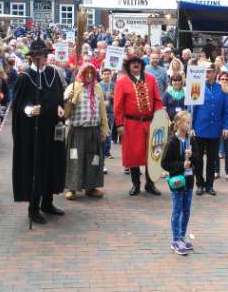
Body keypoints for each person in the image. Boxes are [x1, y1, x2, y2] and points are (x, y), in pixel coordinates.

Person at [11, 39, 67, 224]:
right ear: (31, 58)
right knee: (36, 167)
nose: (41, 60)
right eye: (37, 57)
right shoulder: (25, 77)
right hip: (34, 133)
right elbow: (18, 105)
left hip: (52, 129)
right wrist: (28, 110)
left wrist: (60, 107)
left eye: (43, 56)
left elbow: (59, 96)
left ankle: (48, 202)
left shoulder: (52, 73)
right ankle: (33, 208)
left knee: (52, 165)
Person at [114, 54, 164, 196]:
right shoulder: (122, 82)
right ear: (128, 66)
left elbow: (157, 100)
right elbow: (118, 106)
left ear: (142, 64)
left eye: (138, 62)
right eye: (132, 63)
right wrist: (119, 124)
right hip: (131, 124)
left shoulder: (151, 79)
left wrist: (159, 117)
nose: (135, 65)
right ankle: (136, 184)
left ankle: (150, 184)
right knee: (133, 155)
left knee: (152, 153)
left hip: (150, 123)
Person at [63, 64, 109, 200]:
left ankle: (91, 187)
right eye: (86, 72)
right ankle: (72, 188)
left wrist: (103, 129)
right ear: (81, 73)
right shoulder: (73, 87)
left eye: (92, 73)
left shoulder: (98, 88)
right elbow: (65, 113)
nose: (89, 75)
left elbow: (102, 110)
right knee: (75, 158)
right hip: (78, 130)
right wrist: (68, 99)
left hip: (94, 130)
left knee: (93, 159)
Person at [161, 111, 201, 256]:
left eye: (190, 122)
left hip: (189, 181)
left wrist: (192, 157)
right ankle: (175, 240)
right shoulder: (172, 142)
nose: (189, 125)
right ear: (179, 124)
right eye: (187, 122)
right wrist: (181, 165)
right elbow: (165, 163)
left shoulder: (192, 140)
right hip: (177, 180)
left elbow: (198, 159)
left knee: (187, 210)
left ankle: (182, 236)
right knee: (177, 209)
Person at [191, 63, 228, 196]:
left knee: (212, 159)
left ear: (215, 73)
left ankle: (209, 185)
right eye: (205, 72)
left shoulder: (222, 89)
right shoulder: (197, 87)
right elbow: (192, 109)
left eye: (209, 72)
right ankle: (200, 184)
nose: (206, 75)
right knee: (197, 159)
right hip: (200, 128)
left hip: (215, 129)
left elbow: (226, 111)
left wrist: (226, 127)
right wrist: (191, 126)